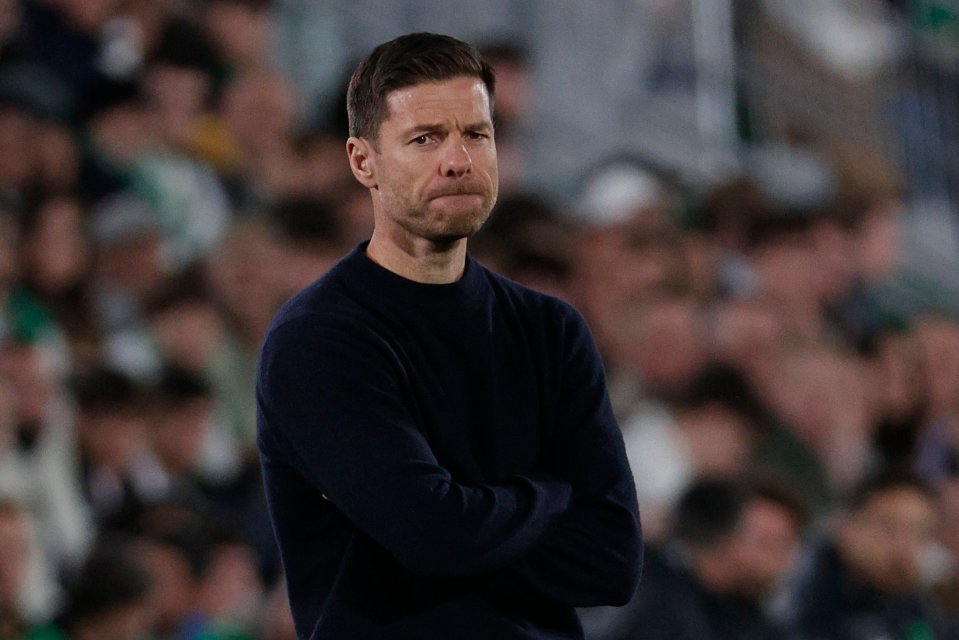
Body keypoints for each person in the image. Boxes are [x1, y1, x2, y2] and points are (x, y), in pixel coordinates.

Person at [256, 32, 642, 640]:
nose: (458, 160)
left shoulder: (551, 329)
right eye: (425, 139)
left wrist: (464, 518)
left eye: (476, 134)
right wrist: (546, 498)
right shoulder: (319, 340)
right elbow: (431, 537)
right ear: (363, 162)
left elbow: (612, 563)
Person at [788, 471, 950, 640]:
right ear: (848, 528)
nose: (904, 548)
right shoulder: (802, 595)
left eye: (920, 534)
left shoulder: (918, 610)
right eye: (889, 528)